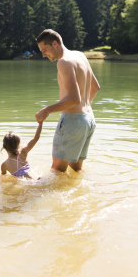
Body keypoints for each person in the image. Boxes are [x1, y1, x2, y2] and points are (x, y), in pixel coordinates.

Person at [35, 29, 100, 172]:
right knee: (76, 170)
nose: (43, 54)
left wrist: (47, 110)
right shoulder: (80, 56)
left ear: (55, 43)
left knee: (57, 171)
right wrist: (82, 110)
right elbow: (95, 87)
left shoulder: (63, 62)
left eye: (45, 49)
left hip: (72, 121)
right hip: (88, 119)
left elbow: (74, 98)